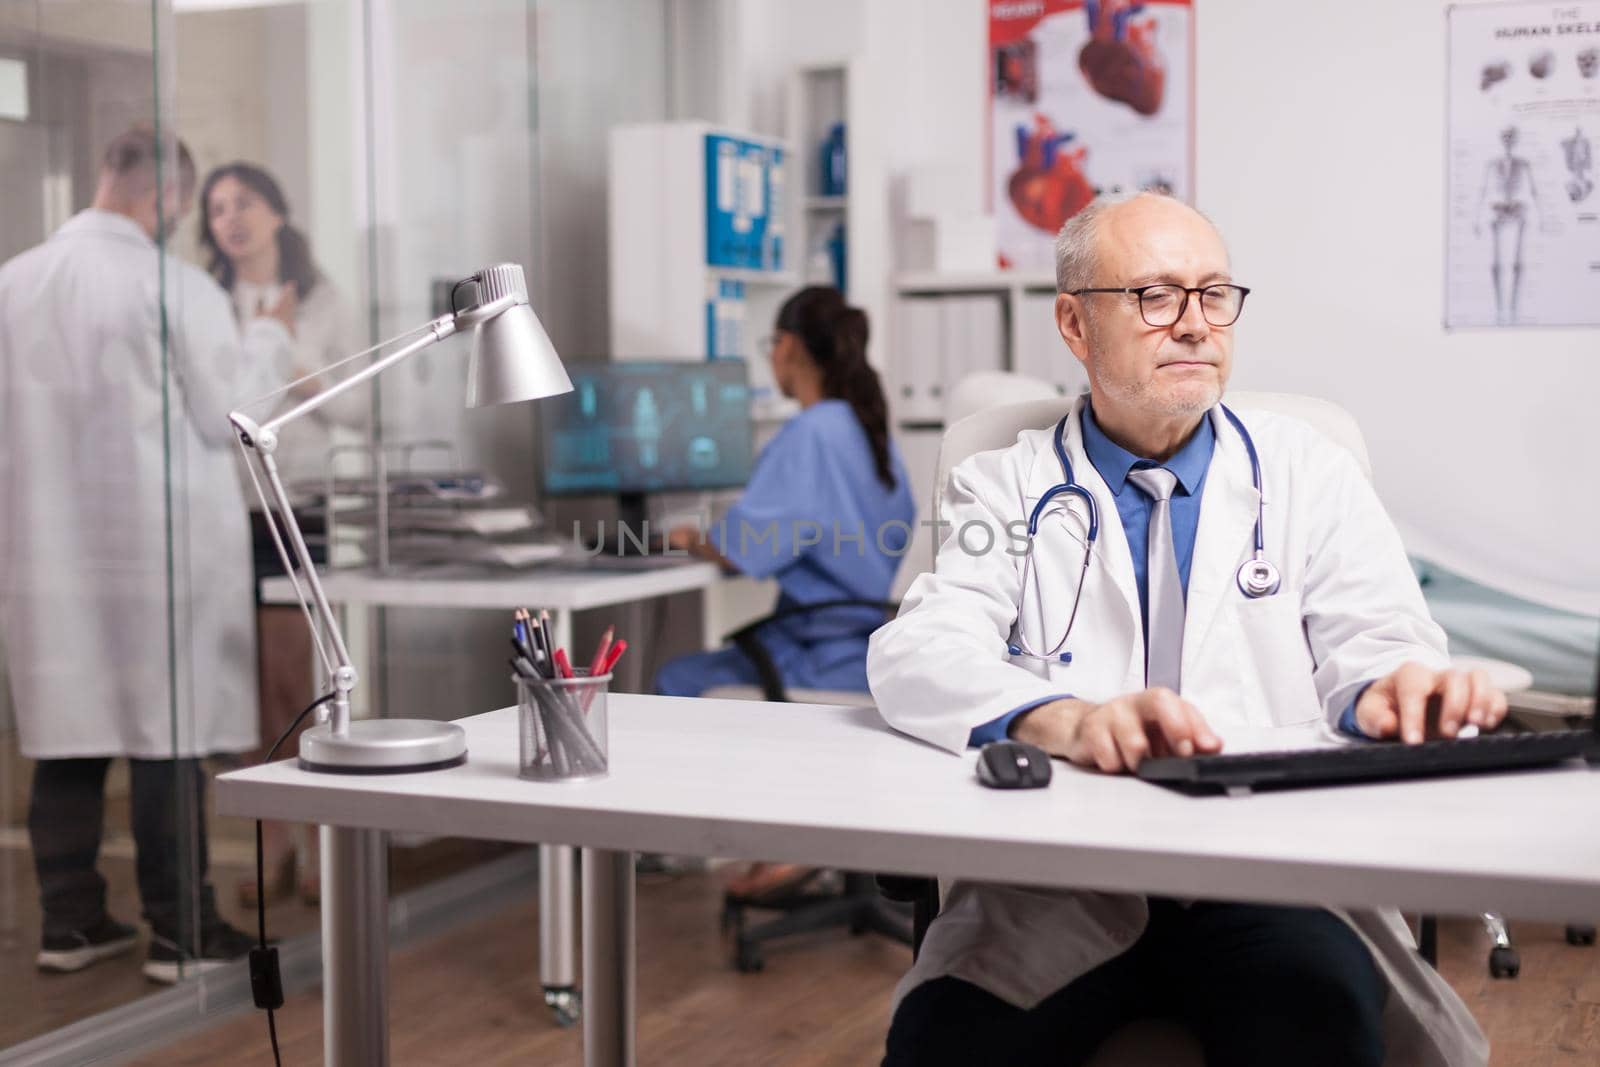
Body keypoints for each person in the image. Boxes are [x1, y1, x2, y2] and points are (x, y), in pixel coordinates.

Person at [867, 192, 1500, 1067]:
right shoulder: (1003, 484)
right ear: (1075, 324)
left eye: (1213, 295)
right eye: (1156, 296)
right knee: (944, 1043)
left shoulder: (1306, 469)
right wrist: (1071, 719)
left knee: (1317, 1026)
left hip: (1269, 872)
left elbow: (1381, 633)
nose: (1196, 324)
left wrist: (1393, 687)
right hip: (1062, 878)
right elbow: (920, 649)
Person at [0, 128, 294, 983]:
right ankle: (183, 931)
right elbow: (227, 416)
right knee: (168, 736)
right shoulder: (178, 284)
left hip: (49, 551)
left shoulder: (11, 282)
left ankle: (72, 920)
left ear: (104, 176)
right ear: (167, 196)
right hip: (155, 549)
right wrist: (269, 336)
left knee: (69, 735)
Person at [657, 286, 916, 898]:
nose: (771, 358)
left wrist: (691, 537)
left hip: (817, 651)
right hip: (865, 648)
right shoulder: (867, 428)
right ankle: (801, 834)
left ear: (790, 347)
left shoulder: (811, 434)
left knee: (674, 681)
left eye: (771, 345)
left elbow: (747, 549)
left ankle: (776, 841)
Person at [198, 161, 363, 907]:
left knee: (297, 684)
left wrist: (290, 361)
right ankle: (271, 850)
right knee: (246, 691)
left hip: (296, 508)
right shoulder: (203, 300)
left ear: (277, 210)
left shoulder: (325, 301)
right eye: (216, 207)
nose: (230, 218)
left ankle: (322, 848)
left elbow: (359, 413)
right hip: (222, 510)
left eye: (244, 203)